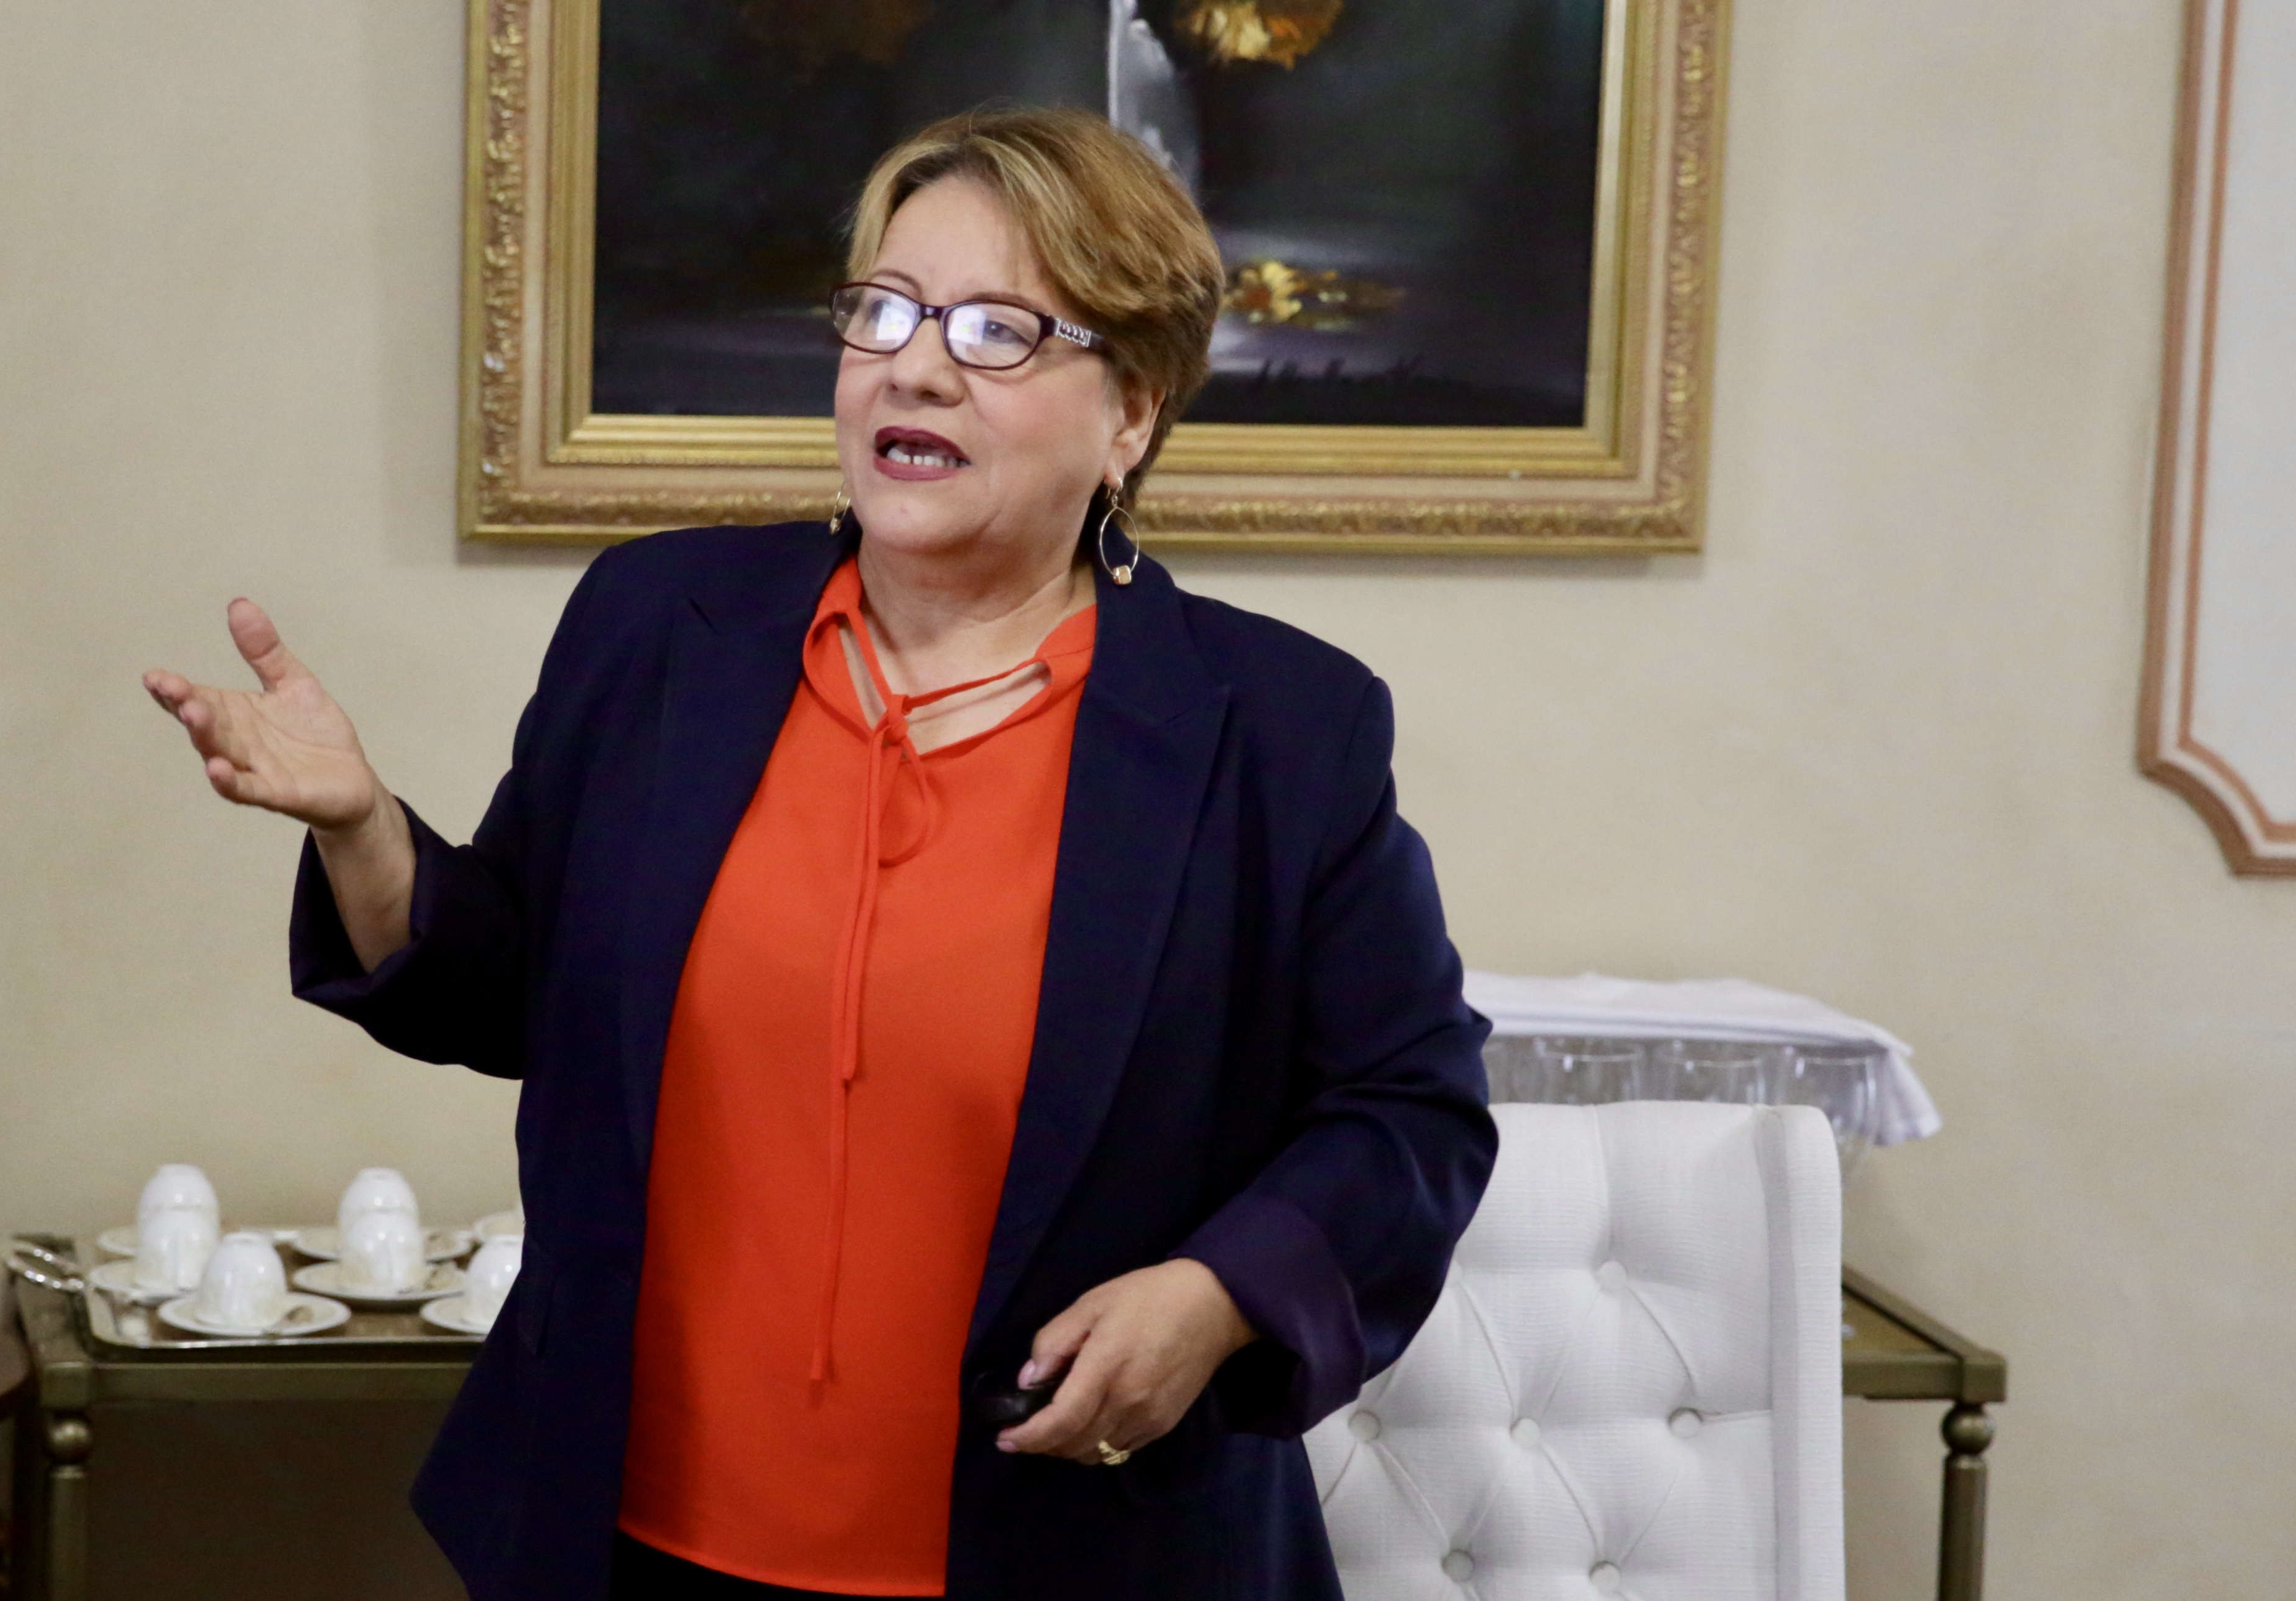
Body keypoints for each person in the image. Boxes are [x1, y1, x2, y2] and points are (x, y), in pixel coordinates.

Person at [142, 106, 1494, 1601]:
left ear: (1132, 412)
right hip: (629, 1542)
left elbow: (1410, 1110)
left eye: (997, 330)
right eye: (886, 310)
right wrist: (365, 828)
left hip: (1077, 1552)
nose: (914, 366)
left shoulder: (1280, 729)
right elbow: (516, 987)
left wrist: (1217, 1292)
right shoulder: (661, 627)